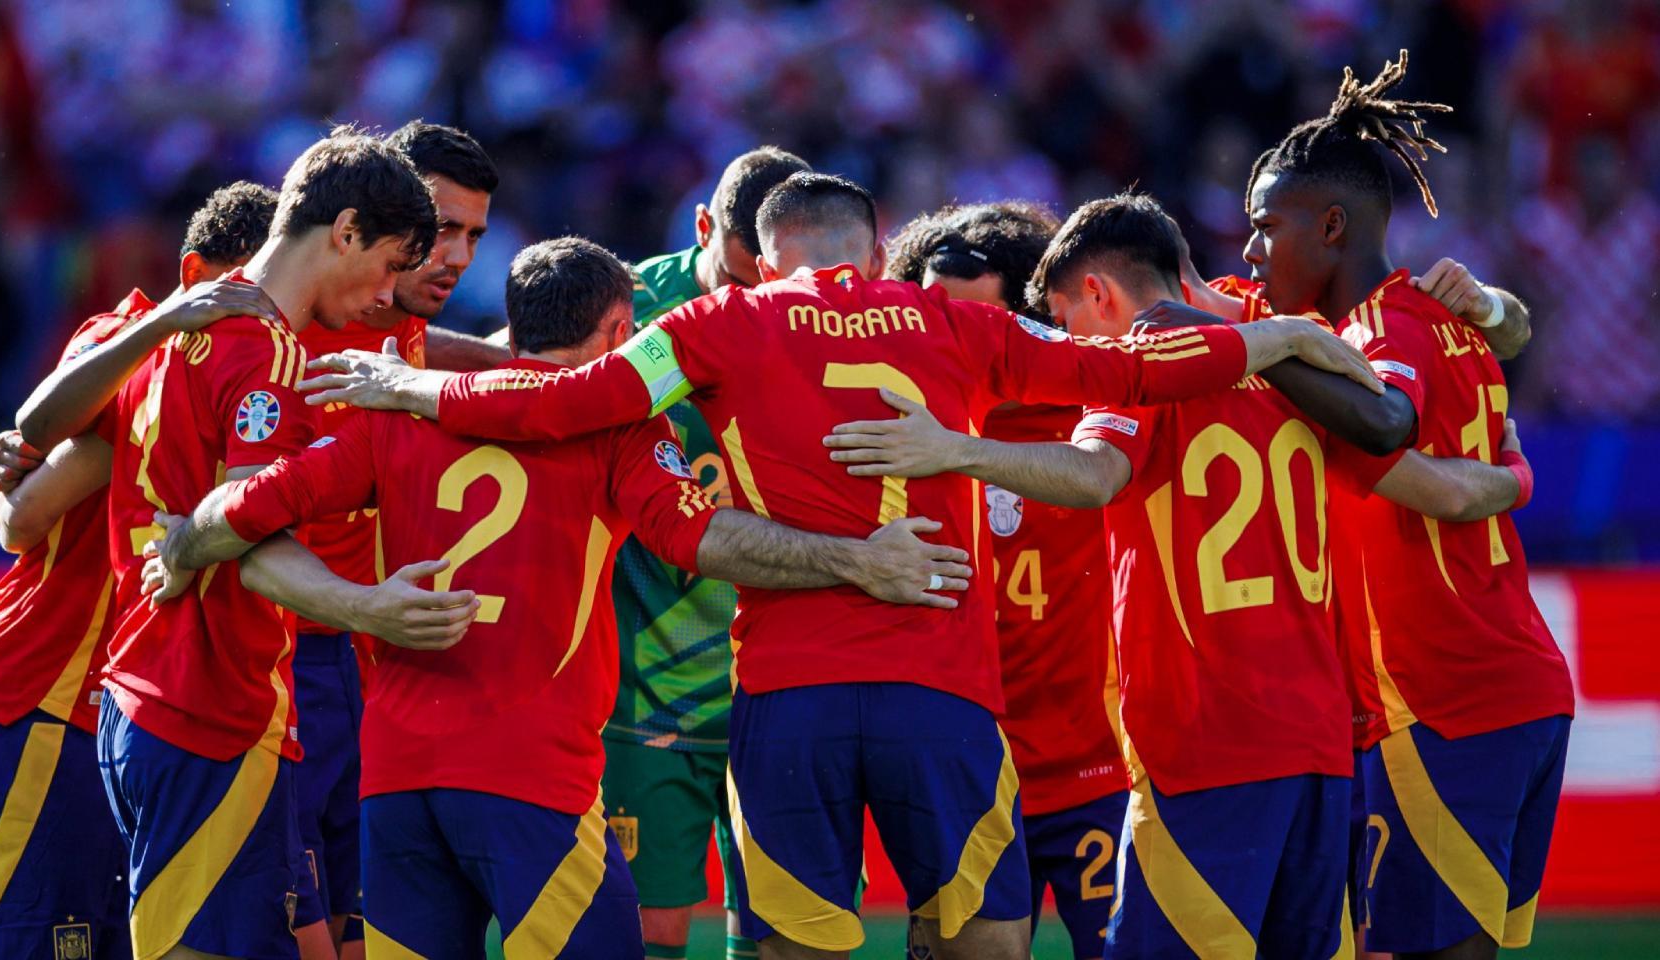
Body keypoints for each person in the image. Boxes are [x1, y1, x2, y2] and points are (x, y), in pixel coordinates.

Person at [296, 172, 1381, 960]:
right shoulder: (951, 323)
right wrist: (1279, 338)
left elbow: (574, 399)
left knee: (791, 943)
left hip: (788, 693)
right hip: (942, 691)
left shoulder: (722, 321)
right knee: (988, 937)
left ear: (770, 256)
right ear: (870, 252)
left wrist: (417, 387)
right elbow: (1124, 370)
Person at [141, 236, 975, 958]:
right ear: (618, 332)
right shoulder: (619, 430)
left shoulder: (394, 412)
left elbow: (249, 510)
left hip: (396, 783)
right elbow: (706, 540)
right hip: (531, 781)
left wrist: (181, 547)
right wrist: (857, 560)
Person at [823, 192, 1538, 960]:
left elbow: (1096, 473)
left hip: (1202, 746)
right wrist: (1513, 437)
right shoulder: (1304, 356)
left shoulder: (1143, 363)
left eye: (1062, 324)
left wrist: (953, 450)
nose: (1068, 351)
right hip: (1320, 750)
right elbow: (1439, 469)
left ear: (1097, 294)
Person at [14, 126, 444, 960]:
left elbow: (36, 436)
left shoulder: (178, 327)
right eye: (391, 263)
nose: (388, 292)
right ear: (345, 230)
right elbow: (253, 542)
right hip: (206, 706)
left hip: (143, 695)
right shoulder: (266, 353)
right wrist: (370, 607)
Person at [1241, 52, 1572, 960]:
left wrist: (1259, 349)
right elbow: (1509, 331)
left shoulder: (1379, 330)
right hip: (1510, 686)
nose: (1252, 252)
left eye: (1266, 227)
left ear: (1332, 225)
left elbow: (1389, 426)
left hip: (1442, 700)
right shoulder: (1449, 319)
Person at [0, 181, 278, 960]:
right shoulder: (131, 345)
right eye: (252, 289)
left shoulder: (271, 368)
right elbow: (19, 519)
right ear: (198, 276)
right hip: (45, 698)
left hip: (141, 720)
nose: (269, 315)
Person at [884, 200, 1128, 960]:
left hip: (1098, 765)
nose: (955, 345)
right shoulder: (895, 428)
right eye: (937, 321)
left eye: (979, 324)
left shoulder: (1100, 417)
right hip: (961, 772)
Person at [287, 119, 507, 960]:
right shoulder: (295, 323)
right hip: (286, 658)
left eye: (473, 236)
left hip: (367, 661)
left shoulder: (391, 316)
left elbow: (417, 354)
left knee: (364, 930)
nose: (455, 256)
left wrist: (512, 363)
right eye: (441, 229)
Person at [606, 146, 809, 960]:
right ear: (701, 228)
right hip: (648, 687)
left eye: (775, 271)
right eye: (739, 268)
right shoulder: (626, 305)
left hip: (784, 679)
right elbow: (520, 364)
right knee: (649, 929)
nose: (757, 291)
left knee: (781, 933)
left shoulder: (828, 314)